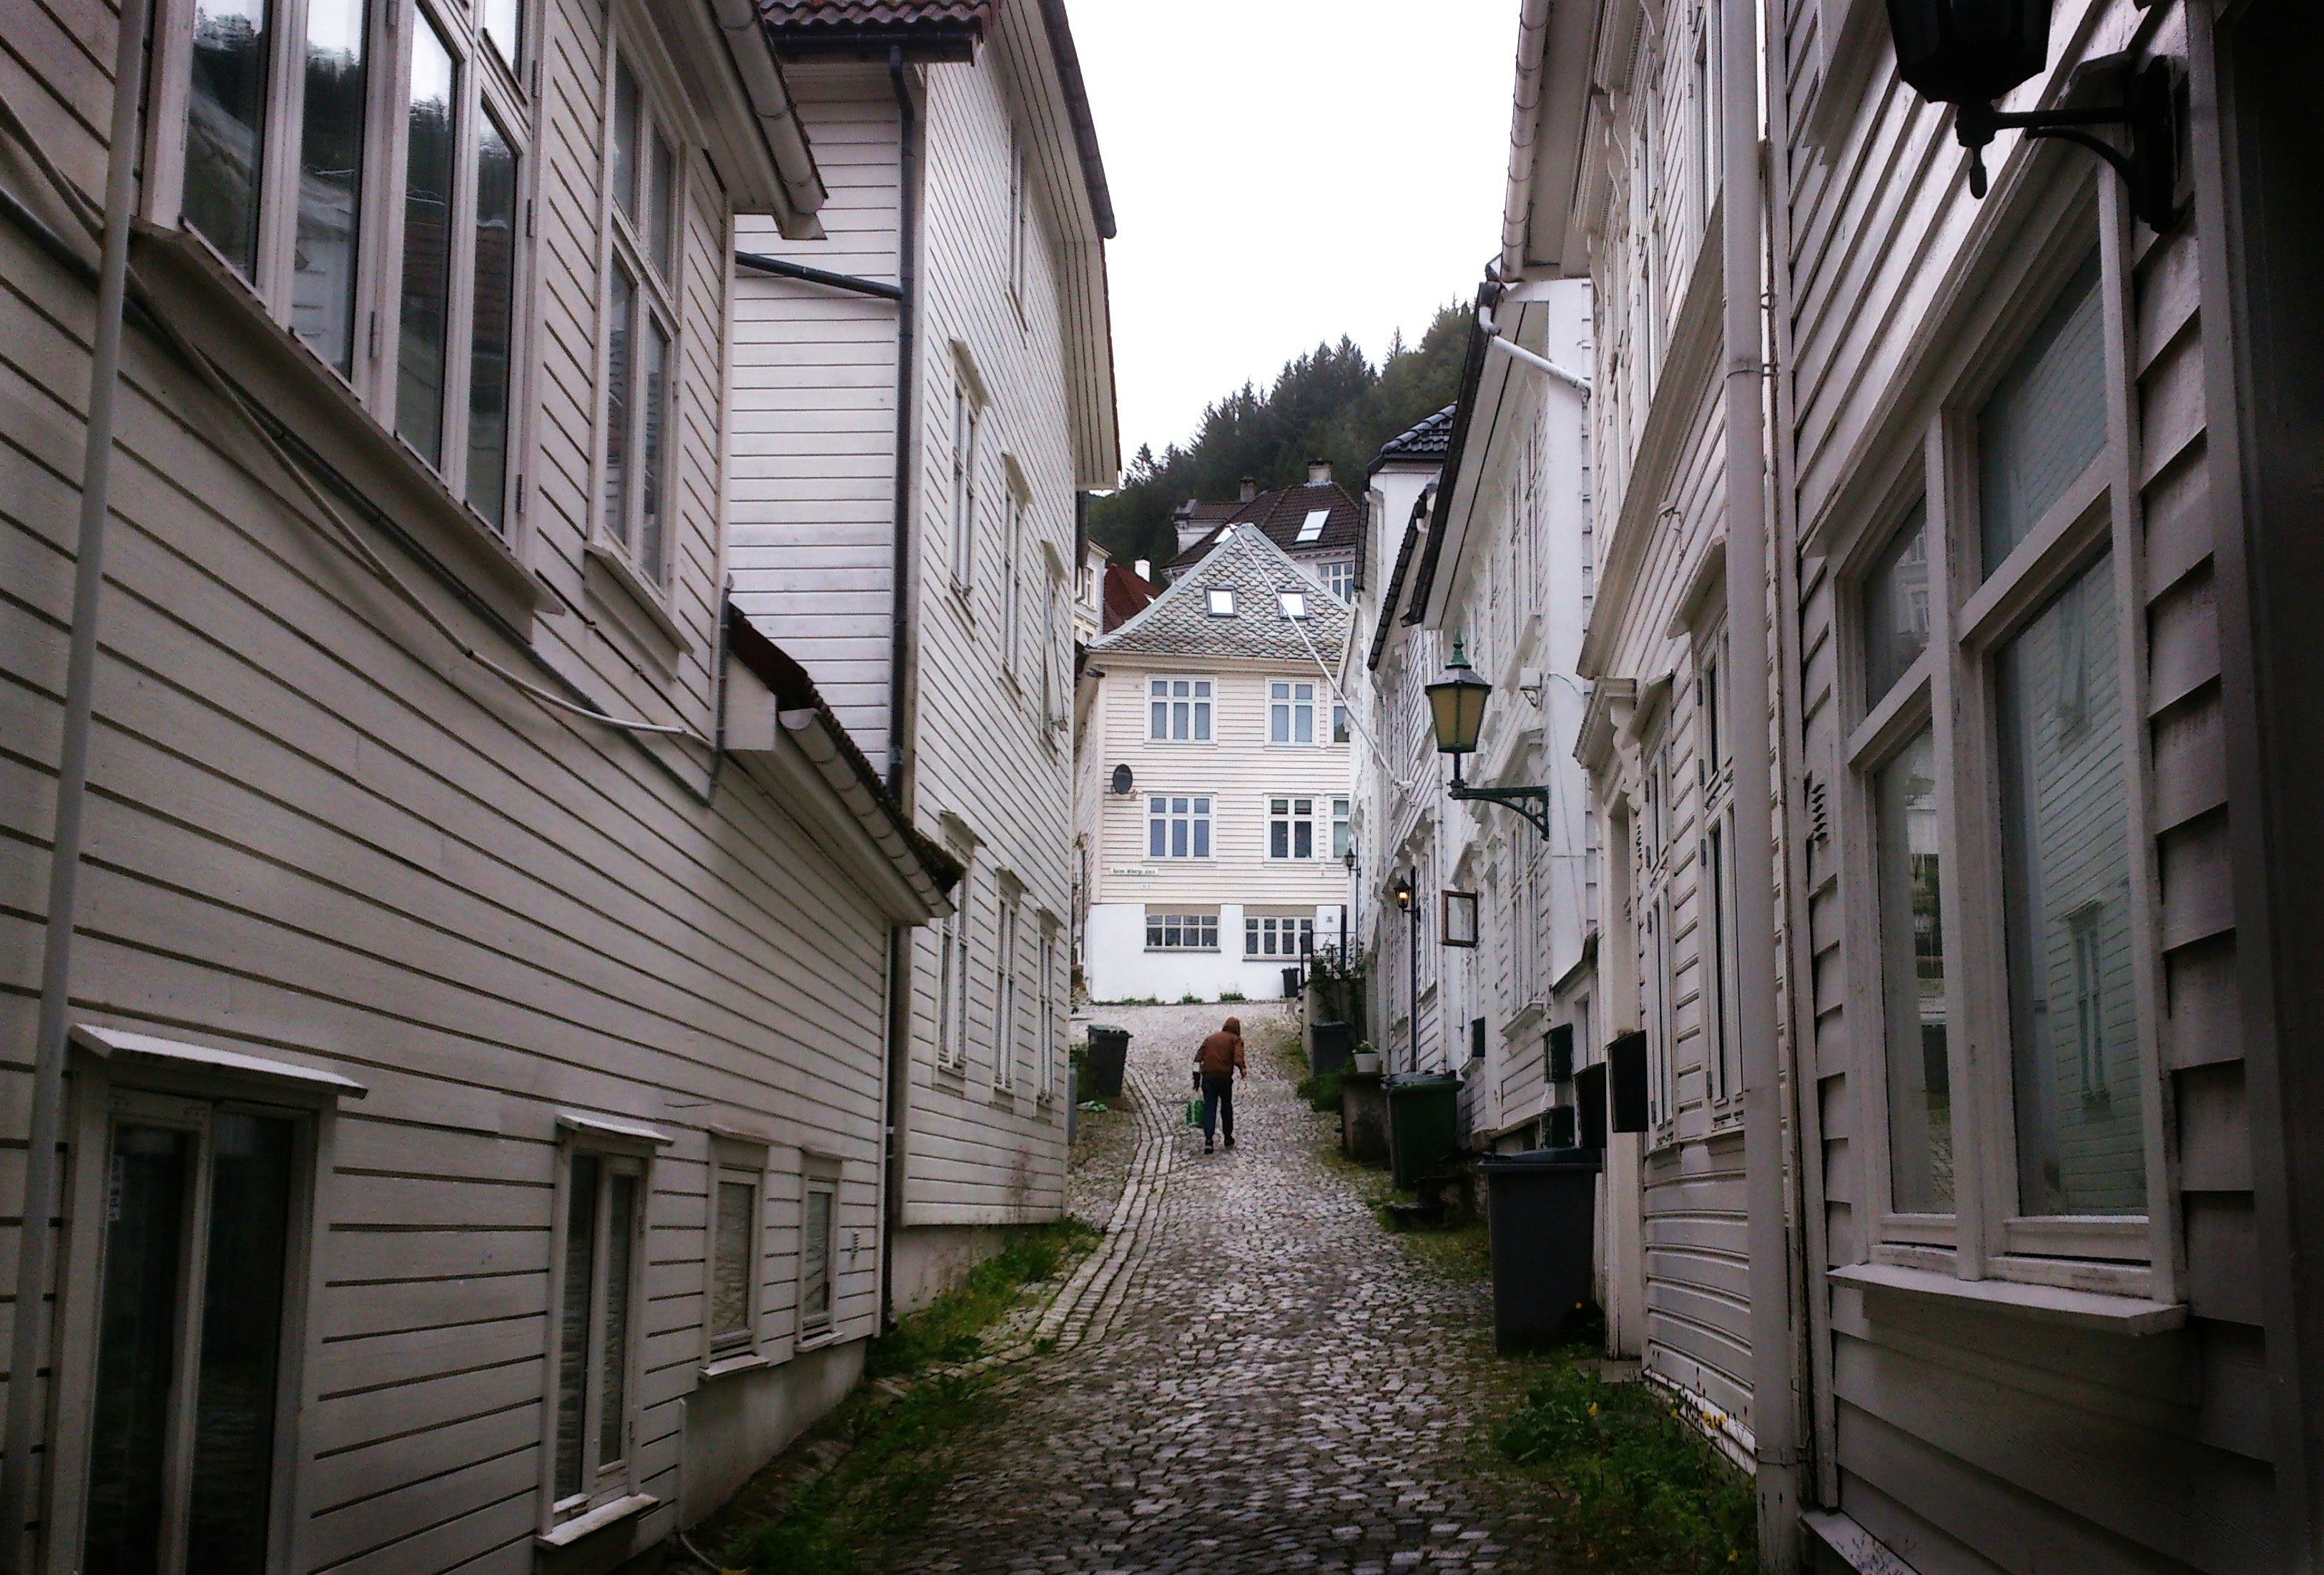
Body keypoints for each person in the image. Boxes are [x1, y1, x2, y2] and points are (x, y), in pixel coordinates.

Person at [1193, 1016, 1246, 1152]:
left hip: (1208, 1078)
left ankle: (1208, 1141)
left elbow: (1197, 1059)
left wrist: (1196, 1080)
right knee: (1226, 1107)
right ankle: (1227, 1137)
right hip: (1224, 1079)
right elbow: (1238, 1058)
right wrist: (1242, 1069)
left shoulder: (1210, 1039)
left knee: (1210, 1108)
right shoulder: (1236, 1040)